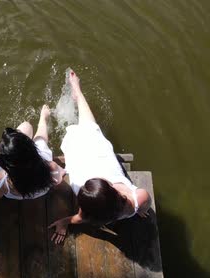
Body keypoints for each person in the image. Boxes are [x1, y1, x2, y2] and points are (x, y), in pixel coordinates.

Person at [48, 70, 152, 244]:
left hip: (95, 159)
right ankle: (77, 91)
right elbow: (145, 204)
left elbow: (77, 219)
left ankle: (77, 91)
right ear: (110, 187)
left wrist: (63, 222)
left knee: (90, 128)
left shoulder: (95, 214)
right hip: (89, 162)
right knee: (90, 129)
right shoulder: (137, 200)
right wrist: (140, 209)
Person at [0, 105, 65, 200]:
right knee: (39, 138)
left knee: (26, 127)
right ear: (32, 149)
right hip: (40, 190)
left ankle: (42, 119)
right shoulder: (50, 167)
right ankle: (43, 118)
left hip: (17, 193)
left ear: (7, 164)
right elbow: (60, 177)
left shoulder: (2, 180)